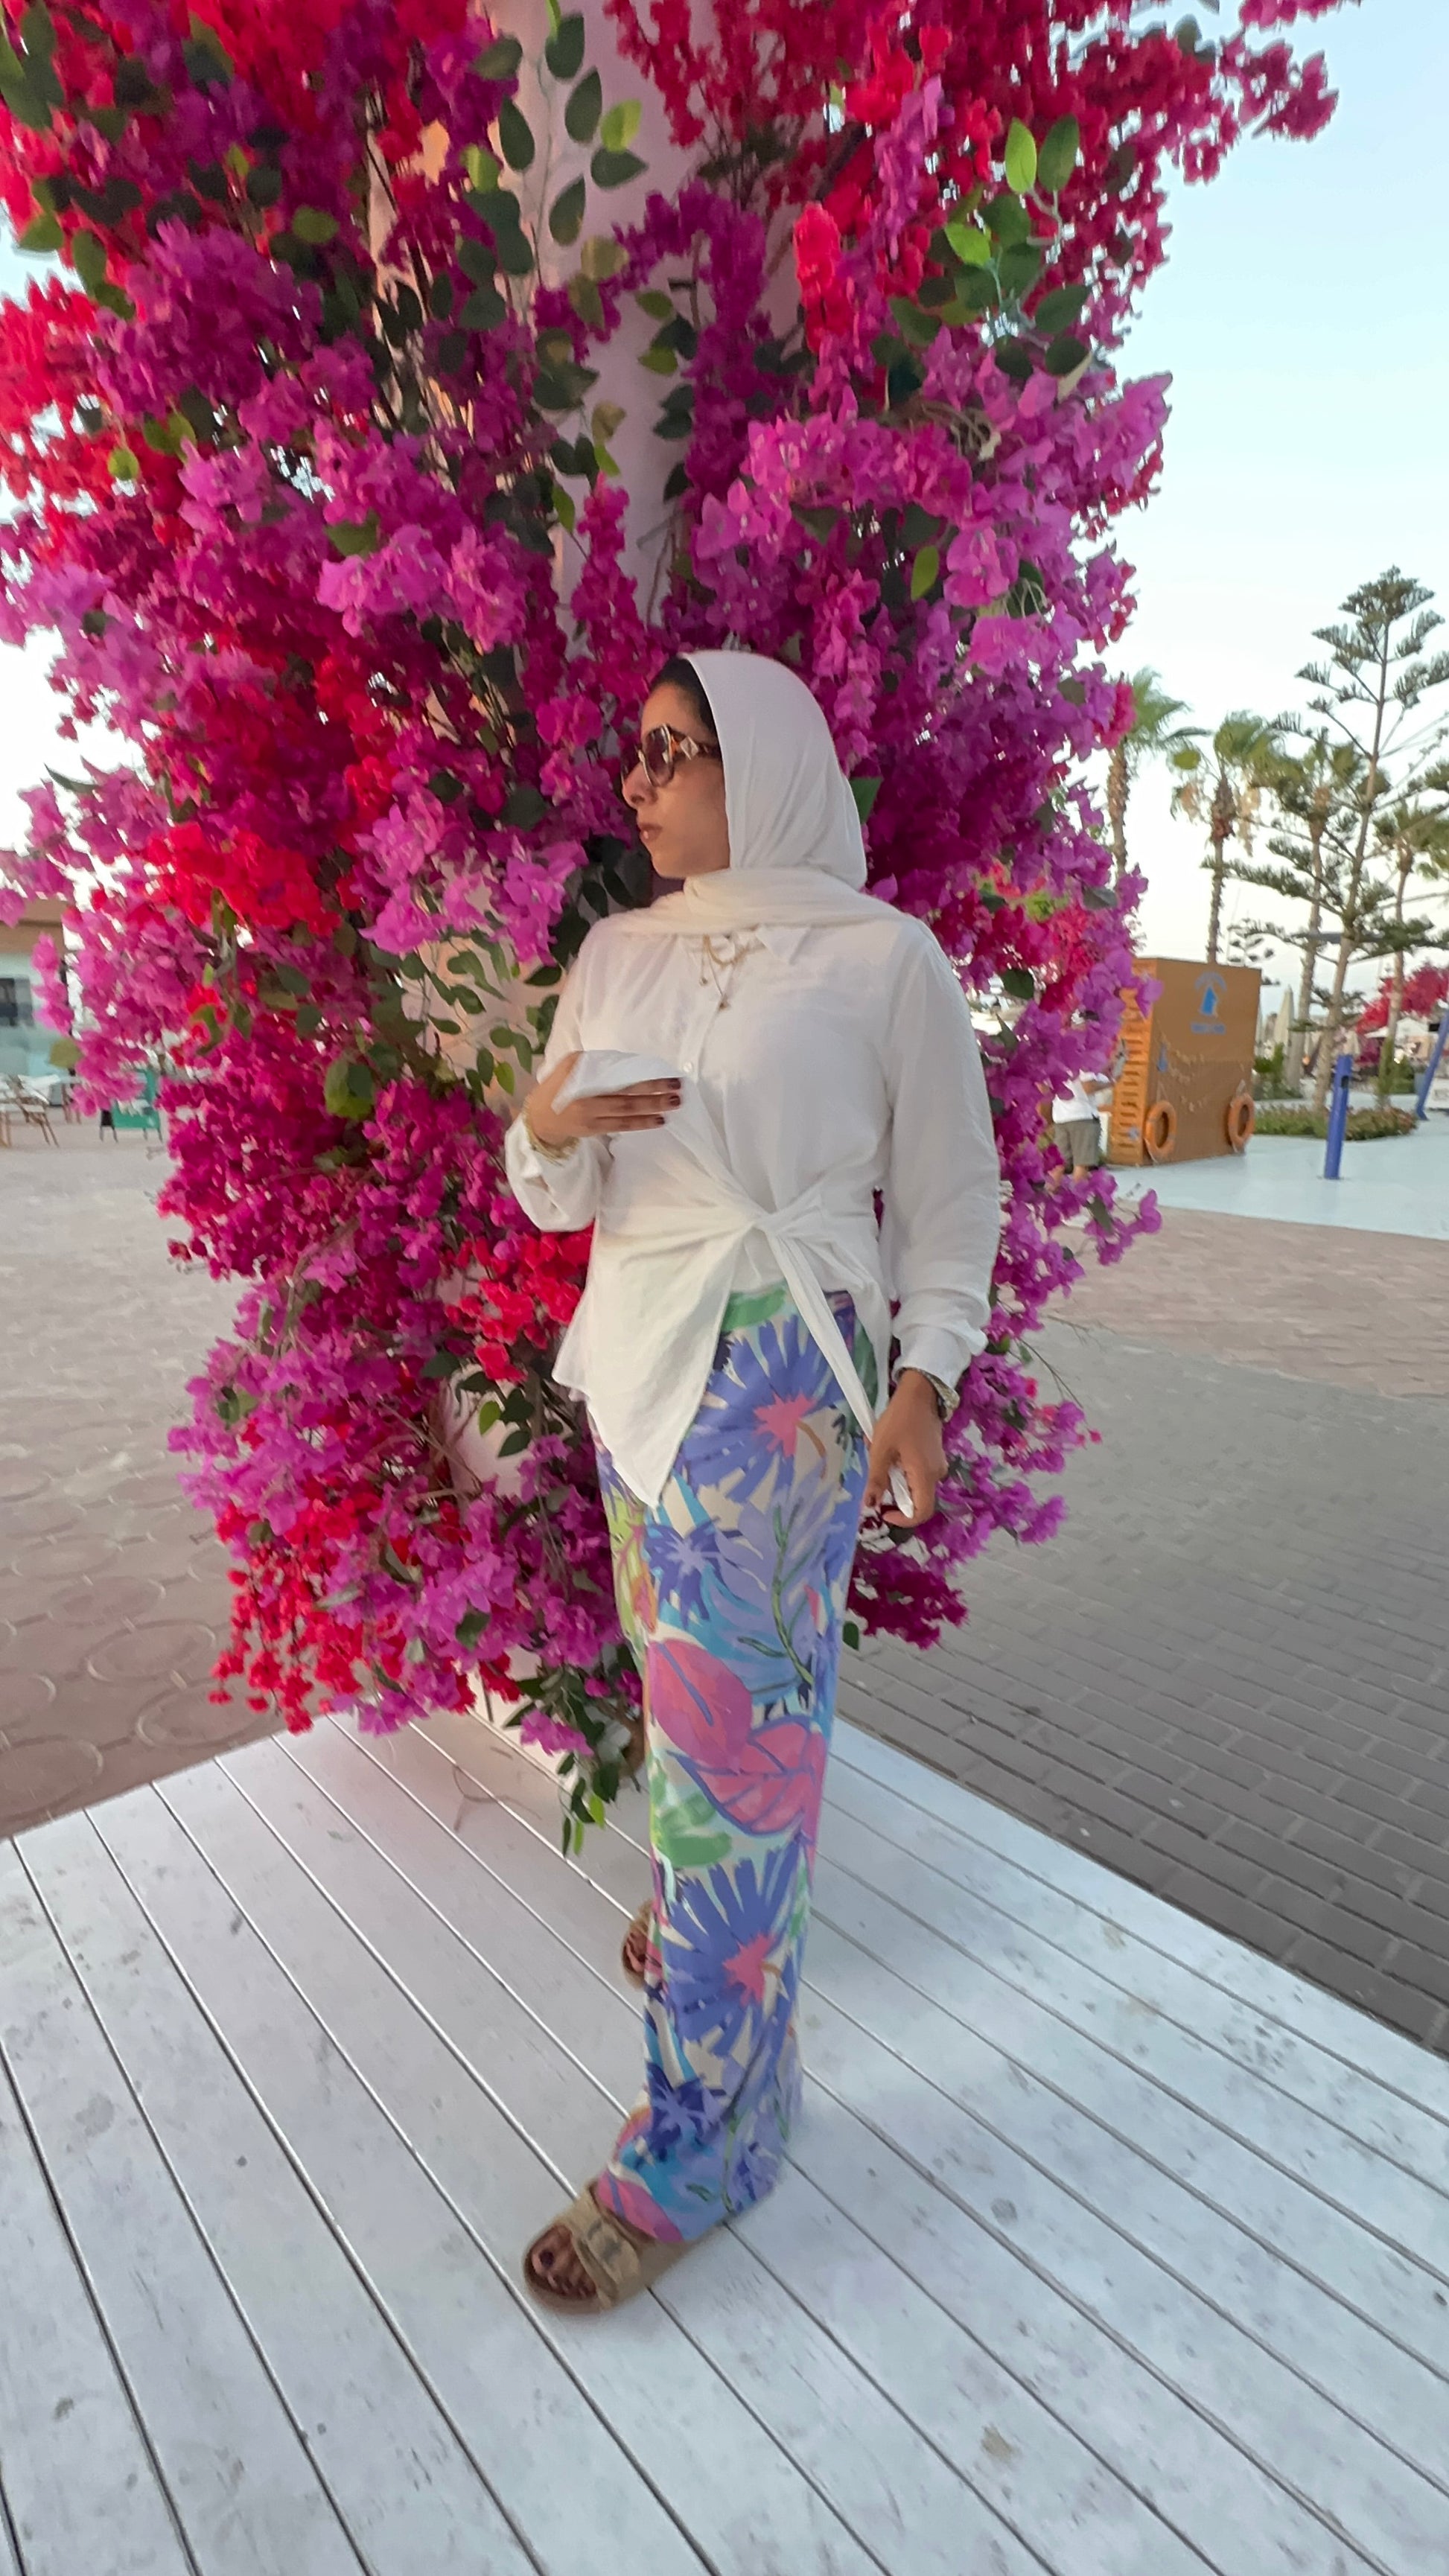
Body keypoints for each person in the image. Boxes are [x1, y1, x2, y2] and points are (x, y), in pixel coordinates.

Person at [503, 649, 1001, 2314]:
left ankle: (702, 2139)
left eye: (668, 751)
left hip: (778, 1376)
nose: (635, 784)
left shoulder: (880, 957)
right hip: (635, 1364)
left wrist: (922, 1380)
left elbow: (948, 1193)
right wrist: (548, 1114)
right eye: (632, 754)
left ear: (760, 758)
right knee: (699, 1706)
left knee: (741, 1746)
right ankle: (710, 1912)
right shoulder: (616, 950)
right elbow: (553, 1194)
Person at [1051, 1067, 1112, 1179]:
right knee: (1082, 1165)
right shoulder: (1085, 1061)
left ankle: (1049, 1194)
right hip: (1083, 1117)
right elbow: (1088, 1087)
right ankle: (1076, 1195)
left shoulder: (1058, 1060)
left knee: (1059, 1165)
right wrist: (1111, 1083)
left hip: (1060, 1117)